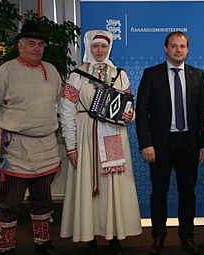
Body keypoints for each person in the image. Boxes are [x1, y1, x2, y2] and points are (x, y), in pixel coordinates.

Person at [0, 22, 62, 255]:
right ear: (20, 46)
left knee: (43, 198)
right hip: (15, 147)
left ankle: (42, 241)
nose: (37, 48)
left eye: (40, 44)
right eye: (31, 44)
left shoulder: (52, 70)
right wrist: (6, 132)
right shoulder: (4, 72)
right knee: (9, 201)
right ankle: (6, 246)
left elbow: (57, 101)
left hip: (46, 146)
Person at [59, 30, 142, 255]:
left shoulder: (120, 75)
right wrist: (71, 146)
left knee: (114, 184)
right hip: (86, 136)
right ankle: (90, 235)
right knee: (88, 185)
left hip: (113, 135)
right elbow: (66, 111)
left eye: (103, 47)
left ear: (109, 48)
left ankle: (114, 235)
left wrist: (129, 115)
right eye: (95, 46)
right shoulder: (76, 75)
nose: (99, 51)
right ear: (89, 47)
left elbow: (129, 107)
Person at [136, 31, 204, 255]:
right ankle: (158, 236)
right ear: (165, 48)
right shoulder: (151, 74)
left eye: (182, 46)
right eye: (174, 46)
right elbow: (142, 112)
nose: (178, 50)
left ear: (188, 49)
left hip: (189, 143)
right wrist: (146, 144)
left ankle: (187, 237)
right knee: (159, 192)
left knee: (187, 192)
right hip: (160, 144)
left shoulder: (197, 75)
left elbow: (203, 112)